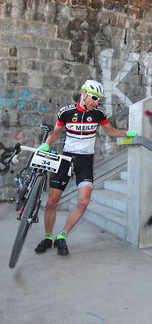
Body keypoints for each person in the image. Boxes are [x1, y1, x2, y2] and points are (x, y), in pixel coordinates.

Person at [34, 80, 137, 256]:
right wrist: (46, 144)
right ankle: (48, 237)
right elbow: (57, 132)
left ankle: (62, 237)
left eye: (99, 100)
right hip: (66, 159)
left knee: (83, 202)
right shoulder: (66, 112)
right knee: (51, 202)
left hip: (85, 161)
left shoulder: (98, 113)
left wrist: (128, 133)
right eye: (94, 98)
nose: (96, 102)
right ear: (84, 94)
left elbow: (110, 131)